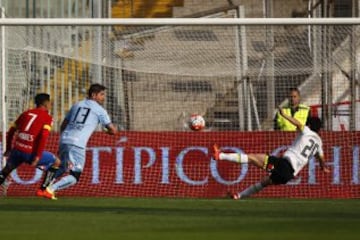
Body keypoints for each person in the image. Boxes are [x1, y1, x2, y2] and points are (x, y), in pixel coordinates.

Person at [212, 107, 330, 200]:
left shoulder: (307, 131)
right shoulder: (319, 143)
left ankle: (220, 156)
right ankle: (239, 196)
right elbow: (321, 159)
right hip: (289, 176)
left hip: (284, 165)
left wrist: (284, 115)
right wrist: (324, 168)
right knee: (264, 182)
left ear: (309, 125)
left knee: (251, 158)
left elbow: (298, 124)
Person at [41, 83, 117, 200]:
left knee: (61, 167)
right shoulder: (100, 110)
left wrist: (64, 139)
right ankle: (50, 189)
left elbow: (63, 125)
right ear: (94, 95)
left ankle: (42, 188)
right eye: (101, 95)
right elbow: (113, 130)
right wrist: (108, 132)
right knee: (75, 175)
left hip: (65, 139)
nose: (103, 97)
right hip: (77, 143)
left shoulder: (77, 105)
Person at [0, 93, 61, 193]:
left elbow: (11, 131)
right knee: (57, 162)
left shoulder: (25, 113)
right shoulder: (47, 117)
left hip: (17, 150)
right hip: (30, 153)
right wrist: (37, 156)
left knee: (6, 170)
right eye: (50, 103)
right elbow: (43, 137)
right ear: (46, 103)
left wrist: (8, 149)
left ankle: (42, 167)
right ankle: (43, 190)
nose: (50, 105)